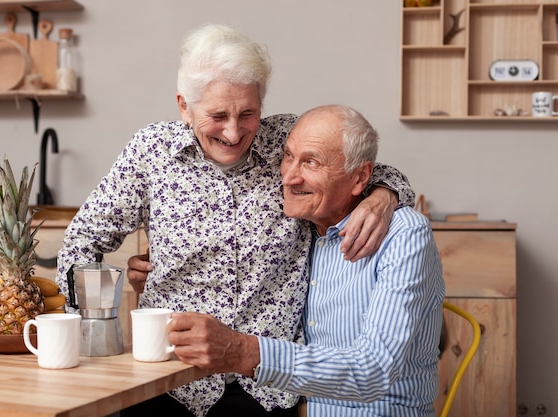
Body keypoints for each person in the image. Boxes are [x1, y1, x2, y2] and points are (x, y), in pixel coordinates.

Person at [56, 24, 415, 417]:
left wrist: (384, 195)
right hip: (168, 381)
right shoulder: (151, 153)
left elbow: (373, 171)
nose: (233, 131)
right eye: (217, 115)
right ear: (183, 106)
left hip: (267, 388)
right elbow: (81, 241)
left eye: (248, 113)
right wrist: (84, 329)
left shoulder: (286, 140)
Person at [167, 105, 445, 417]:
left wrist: (243, 352)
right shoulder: (301, 229)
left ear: (361, 177)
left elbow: (372, 372)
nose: (288, 176)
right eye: (288, 156)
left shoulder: (404, 233)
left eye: (311, 162)